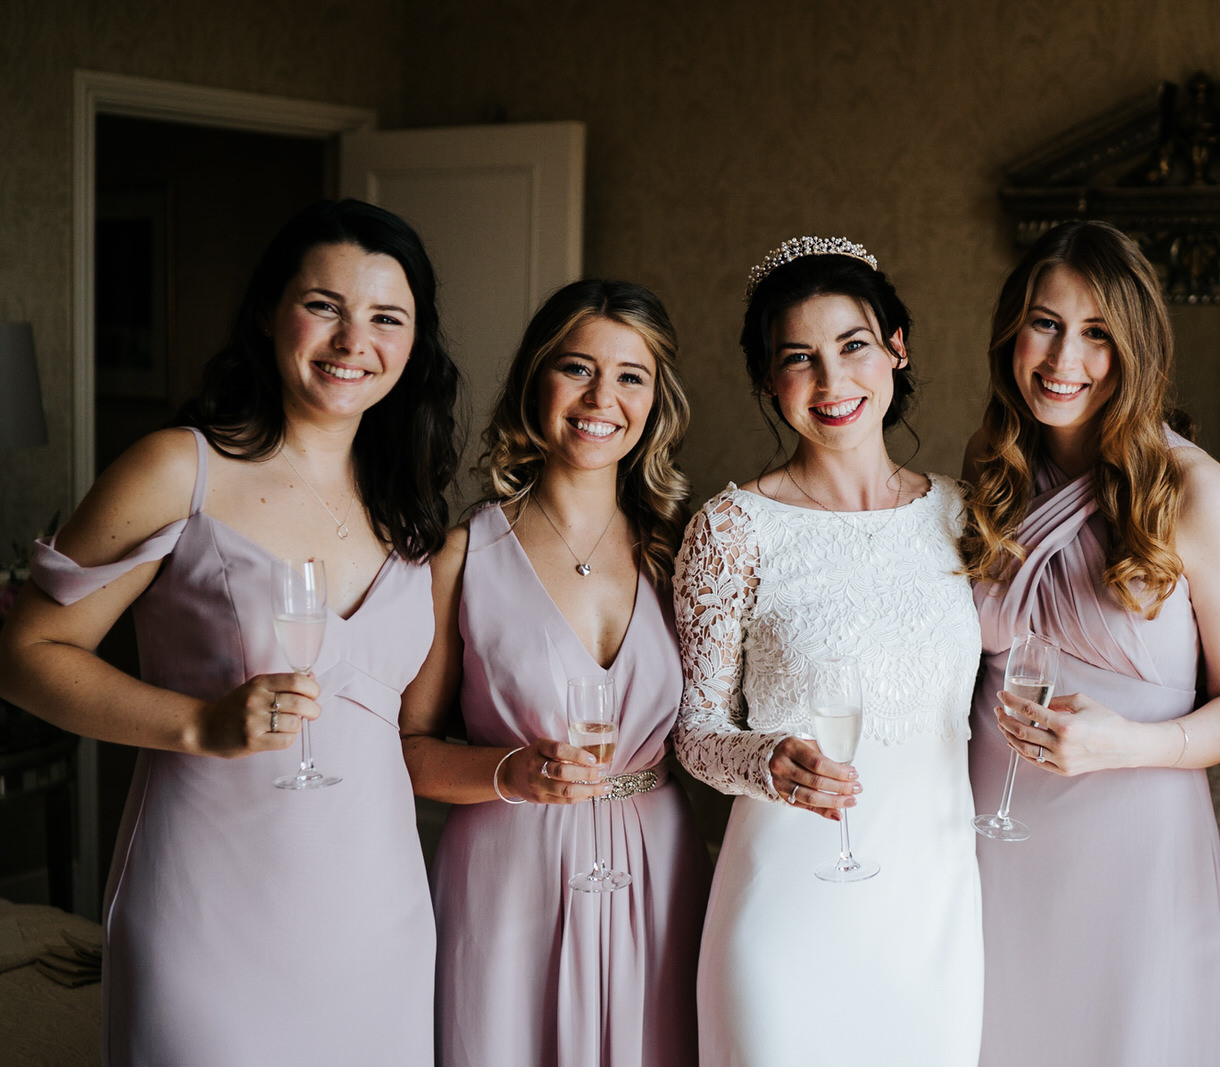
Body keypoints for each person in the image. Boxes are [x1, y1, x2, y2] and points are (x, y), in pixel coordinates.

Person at [0, 199, 460, 1066]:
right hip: (208, 903)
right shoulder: (181, 467)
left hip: (379, 907)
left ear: (414, 344)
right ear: (268, 311)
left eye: (386, 317)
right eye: (324, 304)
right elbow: (25, 658)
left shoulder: (411, 502)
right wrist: (197, 723)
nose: (352, 339)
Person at [961, 220, 1220, 1066]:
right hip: (993, 844)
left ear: (1136, 349)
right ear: (1010, 334)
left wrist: (1128, 742)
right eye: (1045, 323)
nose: (1065, 357)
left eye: (1097, 332)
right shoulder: (993, 481)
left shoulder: (1197, 492)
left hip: (1134, 851)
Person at [672, 237, 984, 1066]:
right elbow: (695, 729)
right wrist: (765, 758)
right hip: (788, 903)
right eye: (799, 359)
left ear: (896, 347)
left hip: (935, 904)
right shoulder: (732, 528)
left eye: (852, 346)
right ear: (770, 382)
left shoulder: (964, 514)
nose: (832, 381)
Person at [399, 279, 709, 1067]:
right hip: (509, 874)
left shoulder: (684, 550)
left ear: (655, 400)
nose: (603, 396)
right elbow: (409, 750)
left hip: (658, 866)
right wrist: (511, 771)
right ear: (536, 381)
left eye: (631, 376)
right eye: (577, 367)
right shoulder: (464, 554)